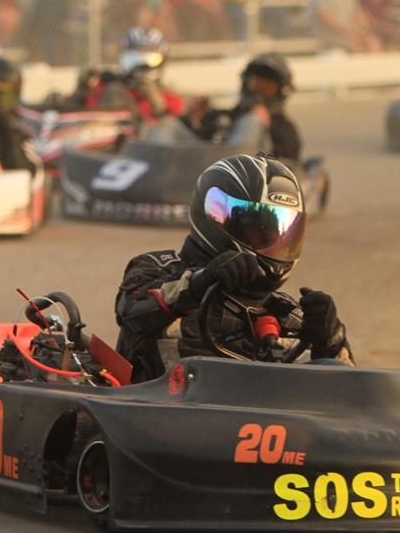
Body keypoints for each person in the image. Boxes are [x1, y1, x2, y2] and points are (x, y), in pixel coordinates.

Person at [114, 154, 354, 382]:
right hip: (160, 406)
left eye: (276, 234)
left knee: (331, 366)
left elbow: (351, 394)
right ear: (215, 219)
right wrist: (200, 283)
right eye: (257, 230)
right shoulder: (159, 269)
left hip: (249, 411)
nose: (269, 241)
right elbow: (132, 311)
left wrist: (329, 340)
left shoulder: (285, 318)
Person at [194, 53, 302, 162]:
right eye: (256, 84)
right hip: (208, 169)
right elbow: (196, 150)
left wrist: (261, 124)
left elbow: (287, 166)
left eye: (266, 87)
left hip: (248, 171)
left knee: (252, 121)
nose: (259, 92)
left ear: (280, 92)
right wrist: (191, 119)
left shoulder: (284, 130)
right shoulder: (223, 117)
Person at [75, 27, 185, 123]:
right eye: (135, 57)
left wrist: (159, 109)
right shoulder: (104, 87)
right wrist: (80, 94)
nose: (140, 65)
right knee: (114, 91)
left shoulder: (170, 101)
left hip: (145, 138)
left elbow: (173, 134)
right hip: (108, 136)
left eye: (147, 57)